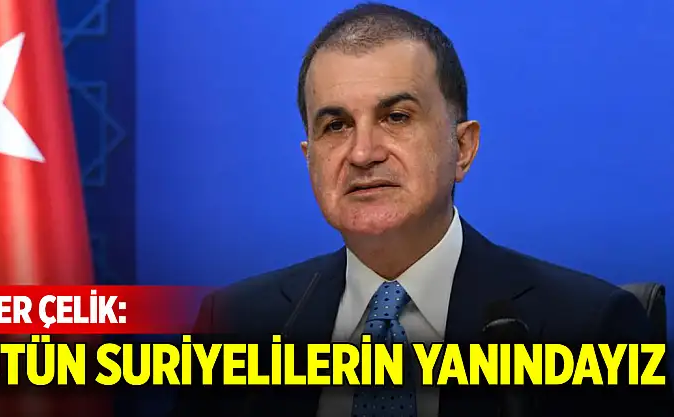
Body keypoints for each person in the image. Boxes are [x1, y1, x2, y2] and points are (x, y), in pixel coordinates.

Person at [177, 3, 673, 417]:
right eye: (336, 126)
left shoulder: (588, 329)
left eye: (396, 117)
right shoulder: (233, 326)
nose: (362, 152)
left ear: (463, 149)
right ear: (310, 159)